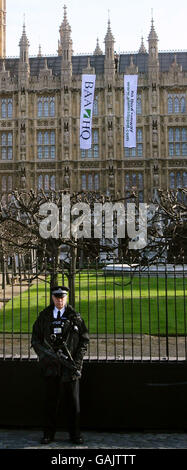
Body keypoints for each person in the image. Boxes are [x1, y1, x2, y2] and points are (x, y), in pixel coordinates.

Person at [31, 285, 89, 445]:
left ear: (66, 298)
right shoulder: (44, 316)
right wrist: (46, 356)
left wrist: (77, 362)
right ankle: (48, 434)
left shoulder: (75, 317)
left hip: (70, 366)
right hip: (50, 366)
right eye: (57, 297)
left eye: (62, 297)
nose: (59, 300)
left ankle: (75, 435)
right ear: (52, 298)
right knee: (50, 401)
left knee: (73, 402)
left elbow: (84, 340)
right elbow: (35, 340)